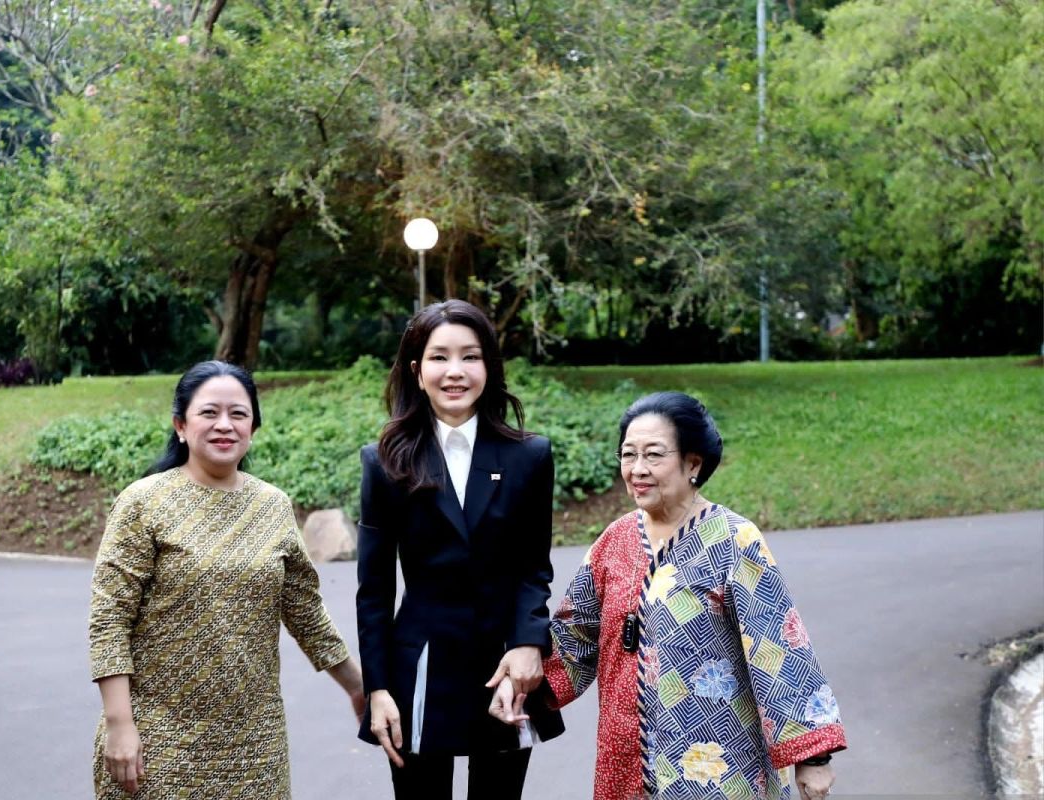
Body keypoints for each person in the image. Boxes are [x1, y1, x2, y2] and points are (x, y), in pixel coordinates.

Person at [491, 391, 846, 800]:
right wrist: (522, 682)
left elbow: (779, 646)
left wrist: (813, 758)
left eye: (654, 456)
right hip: (625, 759)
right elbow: (574, 639)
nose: (637, 469)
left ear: (692, 463)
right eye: (629, 455)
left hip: (717, 762)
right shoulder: (614, 542)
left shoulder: (734, 540)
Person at [87, 360, 364, 799]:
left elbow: (305, 613)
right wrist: (120, 723)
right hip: (157, 735)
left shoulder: (272, 505)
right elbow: (109, 621)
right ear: (180, 425)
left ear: (253, 426)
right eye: (209, 413)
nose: (224, 425)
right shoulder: (143, 503)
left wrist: (358, 687)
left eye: (238, 414)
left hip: (255, 741)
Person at [356, 299, 564, 800]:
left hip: (505, 667)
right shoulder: (385, 462)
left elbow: (533, 568)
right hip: (420, 666)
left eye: (470, 357)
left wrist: (528, 643)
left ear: (489, 368)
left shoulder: (529, 455)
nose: (455, 372)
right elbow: (375, 591)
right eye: (439, 357)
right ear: (417, 370)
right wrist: (378, 689)